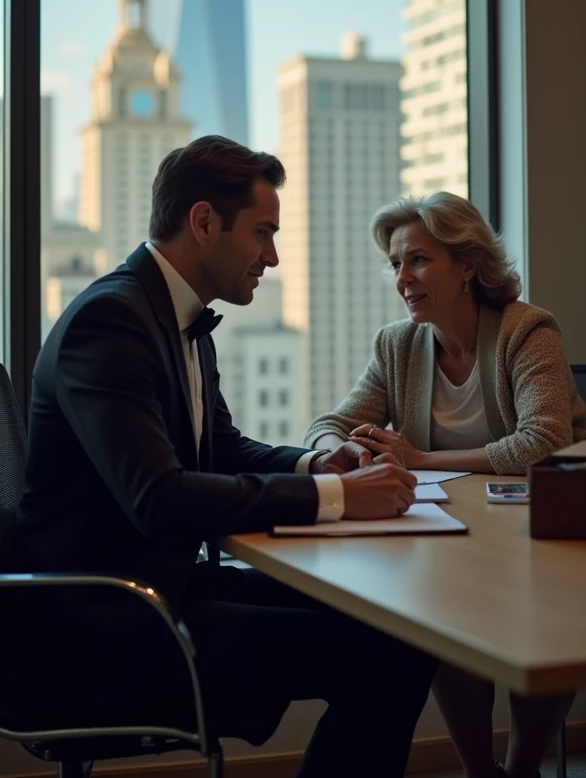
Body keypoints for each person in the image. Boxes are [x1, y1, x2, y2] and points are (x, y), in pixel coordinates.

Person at [12, 136, 435, 778]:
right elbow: (159, 498)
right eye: (262, 232)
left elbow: (223, 449)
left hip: (163, 589)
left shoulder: (173, 315)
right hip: (112, 627)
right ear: (203, 222)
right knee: (390, 655)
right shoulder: (110, 322)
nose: (272, 256)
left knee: (393, 625)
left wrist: (318, 466)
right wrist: (342, 500)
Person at [304, 191, 586, 778]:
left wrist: (419, 458)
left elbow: (544, 443)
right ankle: (481, 771)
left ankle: (522, 767)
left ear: (467, 265)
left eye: (418, 260)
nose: (403, 278)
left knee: (533, 621)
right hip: (459, 532)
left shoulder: (527, 330)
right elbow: (326, 425)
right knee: (447, 622)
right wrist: (341, 453)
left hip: (546, 529)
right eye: (395, 265)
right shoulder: (398, 344)